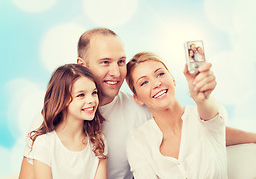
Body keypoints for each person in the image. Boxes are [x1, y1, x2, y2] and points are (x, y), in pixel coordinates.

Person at [19, 28, 256, 179]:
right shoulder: (51, 117)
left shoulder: (140, 110)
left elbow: (199, 129)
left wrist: (251, 135)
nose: (115, 72)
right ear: (81, 64)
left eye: (121, 61)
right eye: (105, 62)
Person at [126, 52, 228, 178]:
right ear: (137, 99)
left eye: (160, 74)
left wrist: (202, 98)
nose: (156, 84)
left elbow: (210, 112)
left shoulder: (203, 117)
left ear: (173, 79)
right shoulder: (138, 141)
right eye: (144, 83)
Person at [25, 64, 107, 179]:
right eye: (81, 95)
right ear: (61, 100)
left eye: (94, 93)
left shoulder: (98, 142)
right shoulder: (45, 143)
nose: (91, 100)